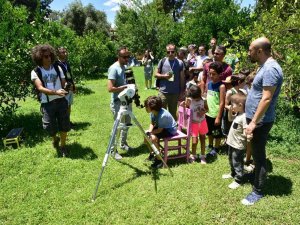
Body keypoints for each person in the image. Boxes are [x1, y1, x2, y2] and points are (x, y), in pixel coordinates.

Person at [242, 37, 283, 206]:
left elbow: (266, 99)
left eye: (250, 49)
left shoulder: (271, 69)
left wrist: (253, 123)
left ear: (260, 51)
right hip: (255, 118)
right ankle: (255, 176)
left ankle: (257, 191)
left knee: (259, 155)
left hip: (261, 121)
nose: (248, 52)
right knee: (257, 152)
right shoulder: (264, 66)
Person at [31, 44, 70, 157]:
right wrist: (55, 92)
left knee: (64, 124)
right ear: (39, 58)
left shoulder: (58, 68)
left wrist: (66, 85)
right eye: (45, 56)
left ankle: (63, 146)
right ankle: (54, 138)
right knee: (49, 127)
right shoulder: (36, 72)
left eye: (49, 56)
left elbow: (63, 82)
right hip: (47, 103)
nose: (49, 58)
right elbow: (40, 88)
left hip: (61, 101)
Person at [107, 46, 133, 160]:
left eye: (128, 56)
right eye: (124, 57)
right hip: (118, 102)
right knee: (117, 127)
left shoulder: (126, 67)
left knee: (127, 124)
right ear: (118, 56)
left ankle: (123, 144)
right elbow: (110, 88)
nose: (127, 59)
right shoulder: (114, 68)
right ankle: (113, 150)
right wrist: (124, 87)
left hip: (127, 100)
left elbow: (130, 81)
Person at [222, 93, 247, 189]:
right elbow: (229, 118)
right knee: (231, 160)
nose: (231, 106)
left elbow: (246, 129)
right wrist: (230, 110)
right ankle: (233, 173)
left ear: (240, 105)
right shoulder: (238, 114)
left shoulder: (244, 116)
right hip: (232, 143)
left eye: (233, 104)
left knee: (237, 161)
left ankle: (238, 179)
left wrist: (247, 135)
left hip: (238, 145)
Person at [144, 96, 177, 169]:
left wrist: (150, 133)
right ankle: (152, 154)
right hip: (161, 127)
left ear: (152, 107)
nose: (145, 107)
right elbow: (152, 123)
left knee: (152, 138)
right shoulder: (153, 112)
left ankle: (159, 160)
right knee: (146, 135)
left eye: (146, 106)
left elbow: (159, 130)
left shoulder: (163, 116)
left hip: (170, 130)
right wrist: (149, 131)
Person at [155, 44, 185, 120]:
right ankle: (162, 130)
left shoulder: (180, 62)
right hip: (163, 92)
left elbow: (182, 78)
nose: (170, 54)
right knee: (162, 113)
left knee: (173, 114)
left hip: (175, 93)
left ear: (175, 52)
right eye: (168, 52)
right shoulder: (162, 61)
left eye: (172, 52)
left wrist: (182, 92)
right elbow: (155, 74)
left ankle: (172, 130)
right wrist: (164, 76)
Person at [180, 85, 208, 164]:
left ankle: (203, 156)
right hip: (193, 124)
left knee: (203, 139)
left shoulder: (203, 100)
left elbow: (207, 109)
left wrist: (203, 111)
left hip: (202, 122)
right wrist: (183, 106)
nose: (196, 100)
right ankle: (194, 155)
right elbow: (185, 111)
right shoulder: (189, 100)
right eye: (195, 99)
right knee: (194, 141)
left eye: (197, 98)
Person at [205, 61, 226, 158]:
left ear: (220, 74)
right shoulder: (208, 84)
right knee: (209, 131)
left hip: (215, 114)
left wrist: (218, 117)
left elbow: (222, 103)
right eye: (210, 73)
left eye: (214, 74)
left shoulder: (221, 86)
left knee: (216, 132)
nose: (211, 75)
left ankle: (216, 148)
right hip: (208, 113)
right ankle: (210, 144)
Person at [56, 47, 76, 127]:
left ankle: (68, 121)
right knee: (64, 106)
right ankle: (63, 123)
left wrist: (74, 86)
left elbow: (70, 75)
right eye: (63, 52)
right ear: (58, 54)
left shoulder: (67, 63)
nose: (65, 53)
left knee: (69, 105)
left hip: (70, 87)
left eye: (66, 52)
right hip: (64, 88)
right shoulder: (57, 64)